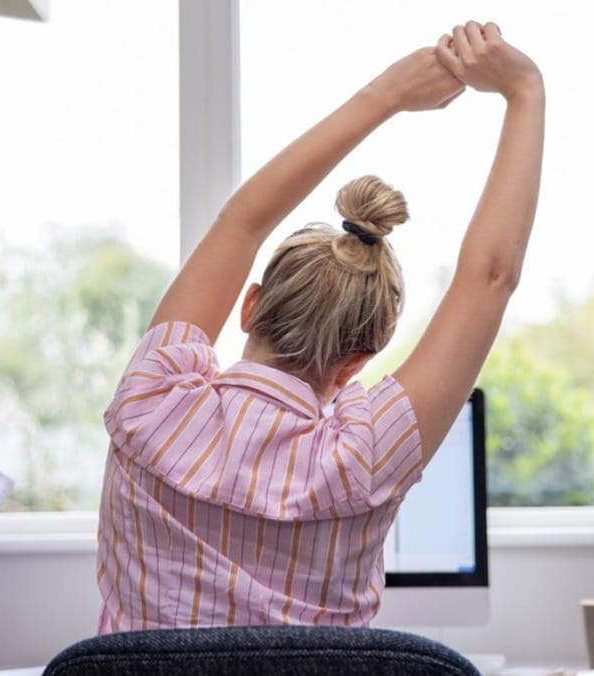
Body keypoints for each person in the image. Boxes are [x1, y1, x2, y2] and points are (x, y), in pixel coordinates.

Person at [97, 21, 544, 632]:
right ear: (357, 360)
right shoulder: (364, 455)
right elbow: (490, 279)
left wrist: (385, 95)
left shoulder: (152, 398)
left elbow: (240, 224)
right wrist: (525, 91)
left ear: (249, 304)